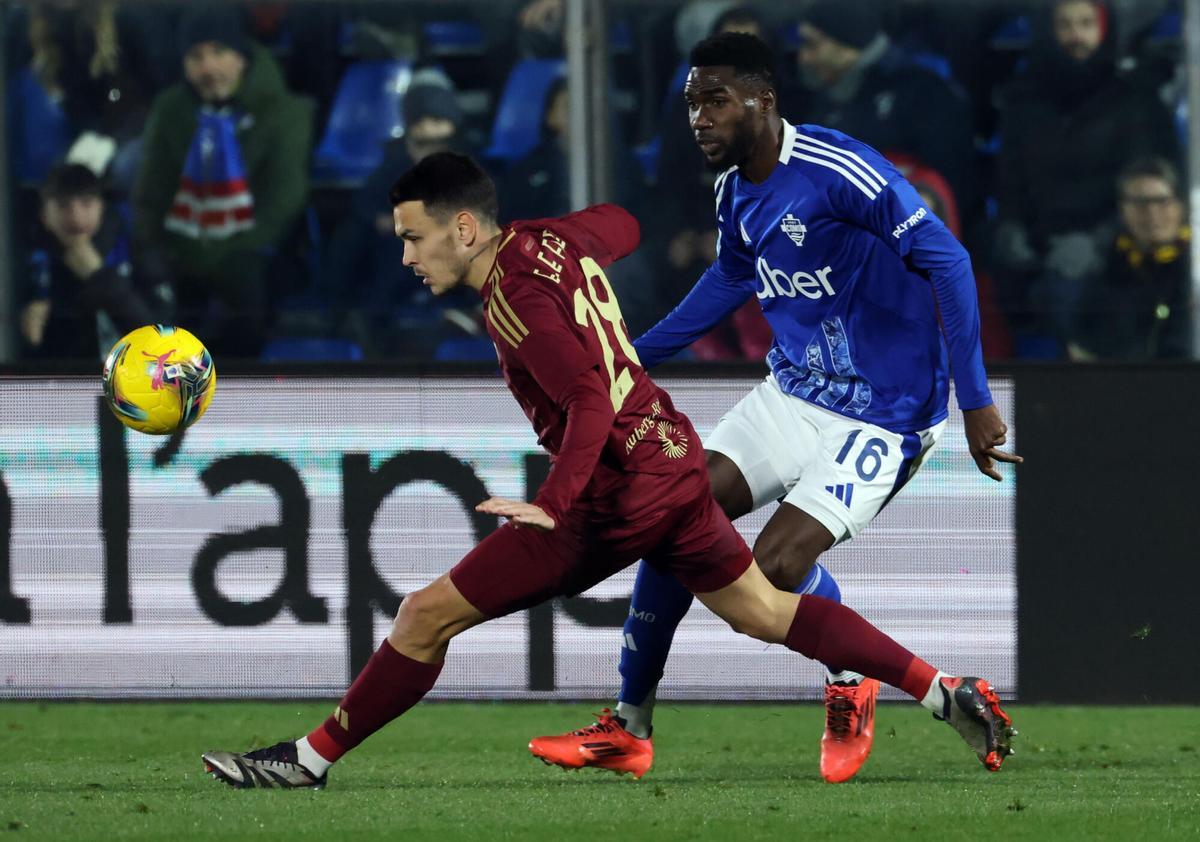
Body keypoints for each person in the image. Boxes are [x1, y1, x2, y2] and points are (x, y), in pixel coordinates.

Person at [200, 152, 1015, 789]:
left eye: (416, 237)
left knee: (423, 616)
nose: (408, 256)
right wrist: (562, 244)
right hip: (671, 453)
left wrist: (554, 502)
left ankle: (307, 761)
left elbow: (589, 397)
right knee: (764, 610)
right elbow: (620, 224)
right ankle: (944, 691)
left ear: (465, 229)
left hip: (615, 490)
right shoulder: (546, 245)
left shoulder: (514, 300)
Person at [528, 32, 1020, 785]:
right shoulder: (734, 192)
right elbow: (729, 280)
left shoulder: (837, 169)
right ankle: (628, 728)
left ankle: (847, 676)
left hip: (884, 414)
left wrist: (977, 400)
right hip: (793, 393)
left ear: (763, 100)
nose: (699, 118)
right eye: (693, 103)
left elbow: (947, 260)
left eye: (716, 101)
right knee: (668, 513)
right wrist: (624, 362)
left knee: (775, 568)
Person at [991, 0, 1178, 348]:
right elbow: (1010, 181)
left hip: (1115, 254)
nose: (1076, 35)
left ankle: (1079, 391)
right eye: (1065, 24)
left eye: (1086, 23)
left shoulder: (1135, 102)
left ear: (1104, 29)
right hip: (1037, 249)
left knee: (1071, 293)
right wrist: (1011, 227)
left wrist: (1098, 243)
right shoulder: (1024, 103)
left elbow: (1151, 185)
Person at [132, 7, 314, 359]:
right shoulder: (170, 110)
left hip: (255, 249)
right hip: (182, 244)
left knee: (247, 289)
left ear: (242, 58)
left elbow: (284, 201)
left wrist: (220, 252)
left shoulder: (285, 113)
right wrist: (154, 246)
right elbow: (150, 191)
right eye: (196, 56)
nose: (209, 68)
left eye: (219, 53)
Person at [322, 68, 478, 357]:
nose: (428, 129)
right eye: (420, 122)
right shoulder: (396, 157)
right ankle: (349, 319)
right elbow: (367, 203)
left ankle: (471, 314)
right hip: (399, 253)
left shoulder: (467, 160)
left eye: (437, 120)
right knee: (355, 237)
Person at [790, 0, 977, 217]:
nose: (803, 57)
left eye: (812, 45)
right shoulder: (820, 101)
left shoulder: (922, 93)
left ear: (847, 47)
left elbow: (948, 186)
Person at [20, 163, 161, 360]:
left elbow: (160, 340)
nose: (76, 217)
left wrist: (101, 277)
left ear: (101, 207)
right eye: (63, 206)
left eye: (86, 204)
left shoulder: (134, 249)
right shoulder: (22, 261)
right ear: (44, 214)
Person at [1069, 158, 1192, 361]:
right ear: (1123, 210)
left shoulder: (1194, 268)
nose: (1152, 213)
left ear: (1180, 206)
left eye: (1161, 201)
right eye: (1140, 203)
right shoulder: (1106, 270)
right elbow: (1082, 347)